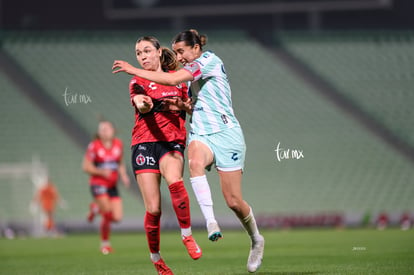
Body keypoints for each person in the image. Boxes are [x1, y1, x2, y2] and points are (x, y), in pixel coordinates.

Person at [112, 29, 265, 273]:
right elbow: (182, 105)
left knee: (234, 201)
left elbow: (173, 82)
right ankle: (207, 225)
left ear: (195, 48)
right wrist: (157, 104)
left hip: (225, 134)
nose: (179, 56)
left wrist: (132, 68)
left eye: (182, 51)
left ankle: (256, 239)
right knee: (182, 176)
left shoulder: (203, 63)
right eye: (138, 53)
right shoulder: (155, 80)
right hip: (184, 137)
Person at [124, 36, 202, 275]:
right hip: (144, 143)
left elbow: (190, 106)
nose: (143, 56)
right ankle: (156, 259)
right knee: (154, 209)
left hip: (171, 141)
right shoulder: (137, 81)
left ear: (159, 52)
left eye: (147, 51)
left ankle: (187, 235)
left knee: (175, 180)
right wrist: (144, 103)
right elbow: (140, 103)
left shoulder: (178, 80)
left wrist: (186, 106)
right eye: (138, 53)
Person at [82, 120, 131, 254]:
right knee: (108, 213)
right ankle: (105, 244)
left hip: (112, 185)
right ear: (98, 132)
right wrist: (101, 172)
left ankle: (95, 208)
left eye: (107, 128)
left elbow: (120, 162)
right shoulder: (94, 146)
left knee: (117, 217)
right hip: (98, 184)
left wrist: (124, 175)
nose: (104, 131)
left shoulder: (118, 144)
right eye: (102, 129)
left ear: (113, 130)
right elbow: (86, 166)